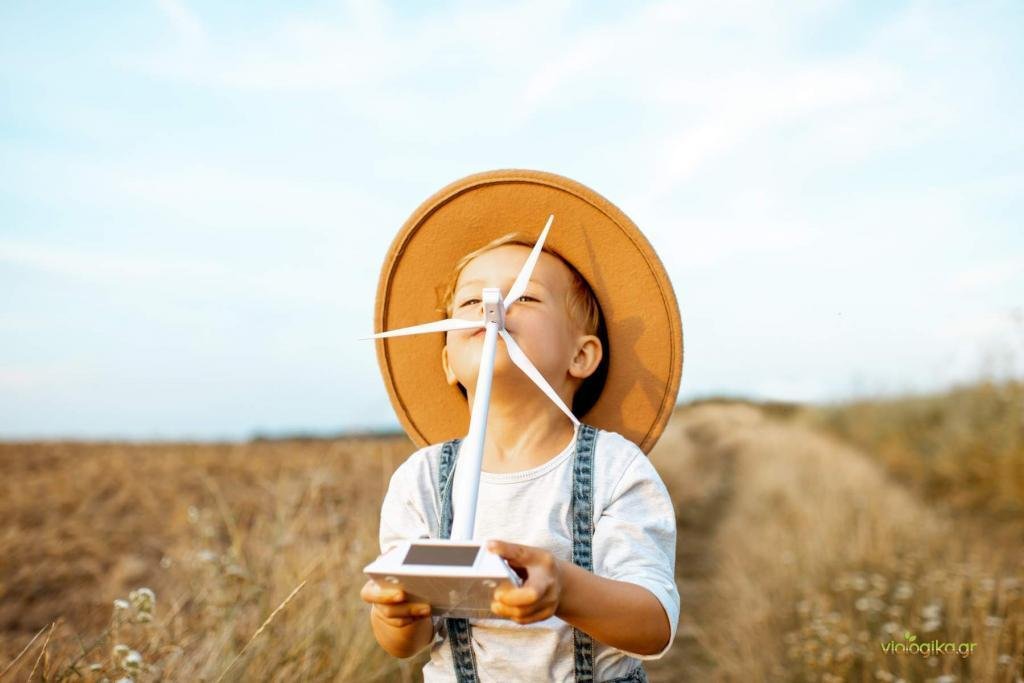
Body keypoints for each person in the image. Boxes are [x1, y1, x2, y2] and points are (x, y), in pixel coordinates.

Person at [360, 169, 684, 682]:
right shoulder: (420, 480)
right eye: (469, 302)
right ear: (447, 361)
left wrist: (565, 591)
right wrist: (395, 614)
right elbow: (404, 645)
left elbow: (654, 625)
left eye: (525, 298)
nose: (493, 309)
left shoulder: (615, 469)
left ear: (581, 355)